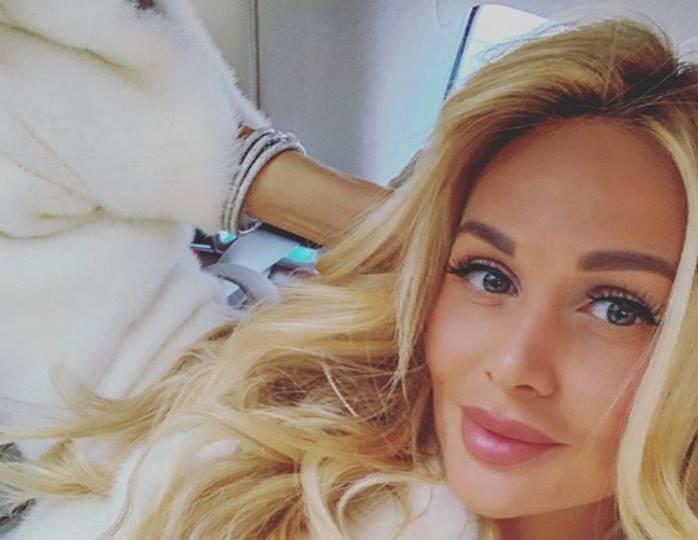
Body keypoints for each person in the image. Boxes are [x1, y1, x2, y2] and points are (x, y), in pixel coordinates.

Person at [1, 3, 697, 540]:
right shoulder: (250, 427)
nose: (515, 366)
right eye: (488, 275)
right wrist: (394, 227)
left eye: (619, 309)